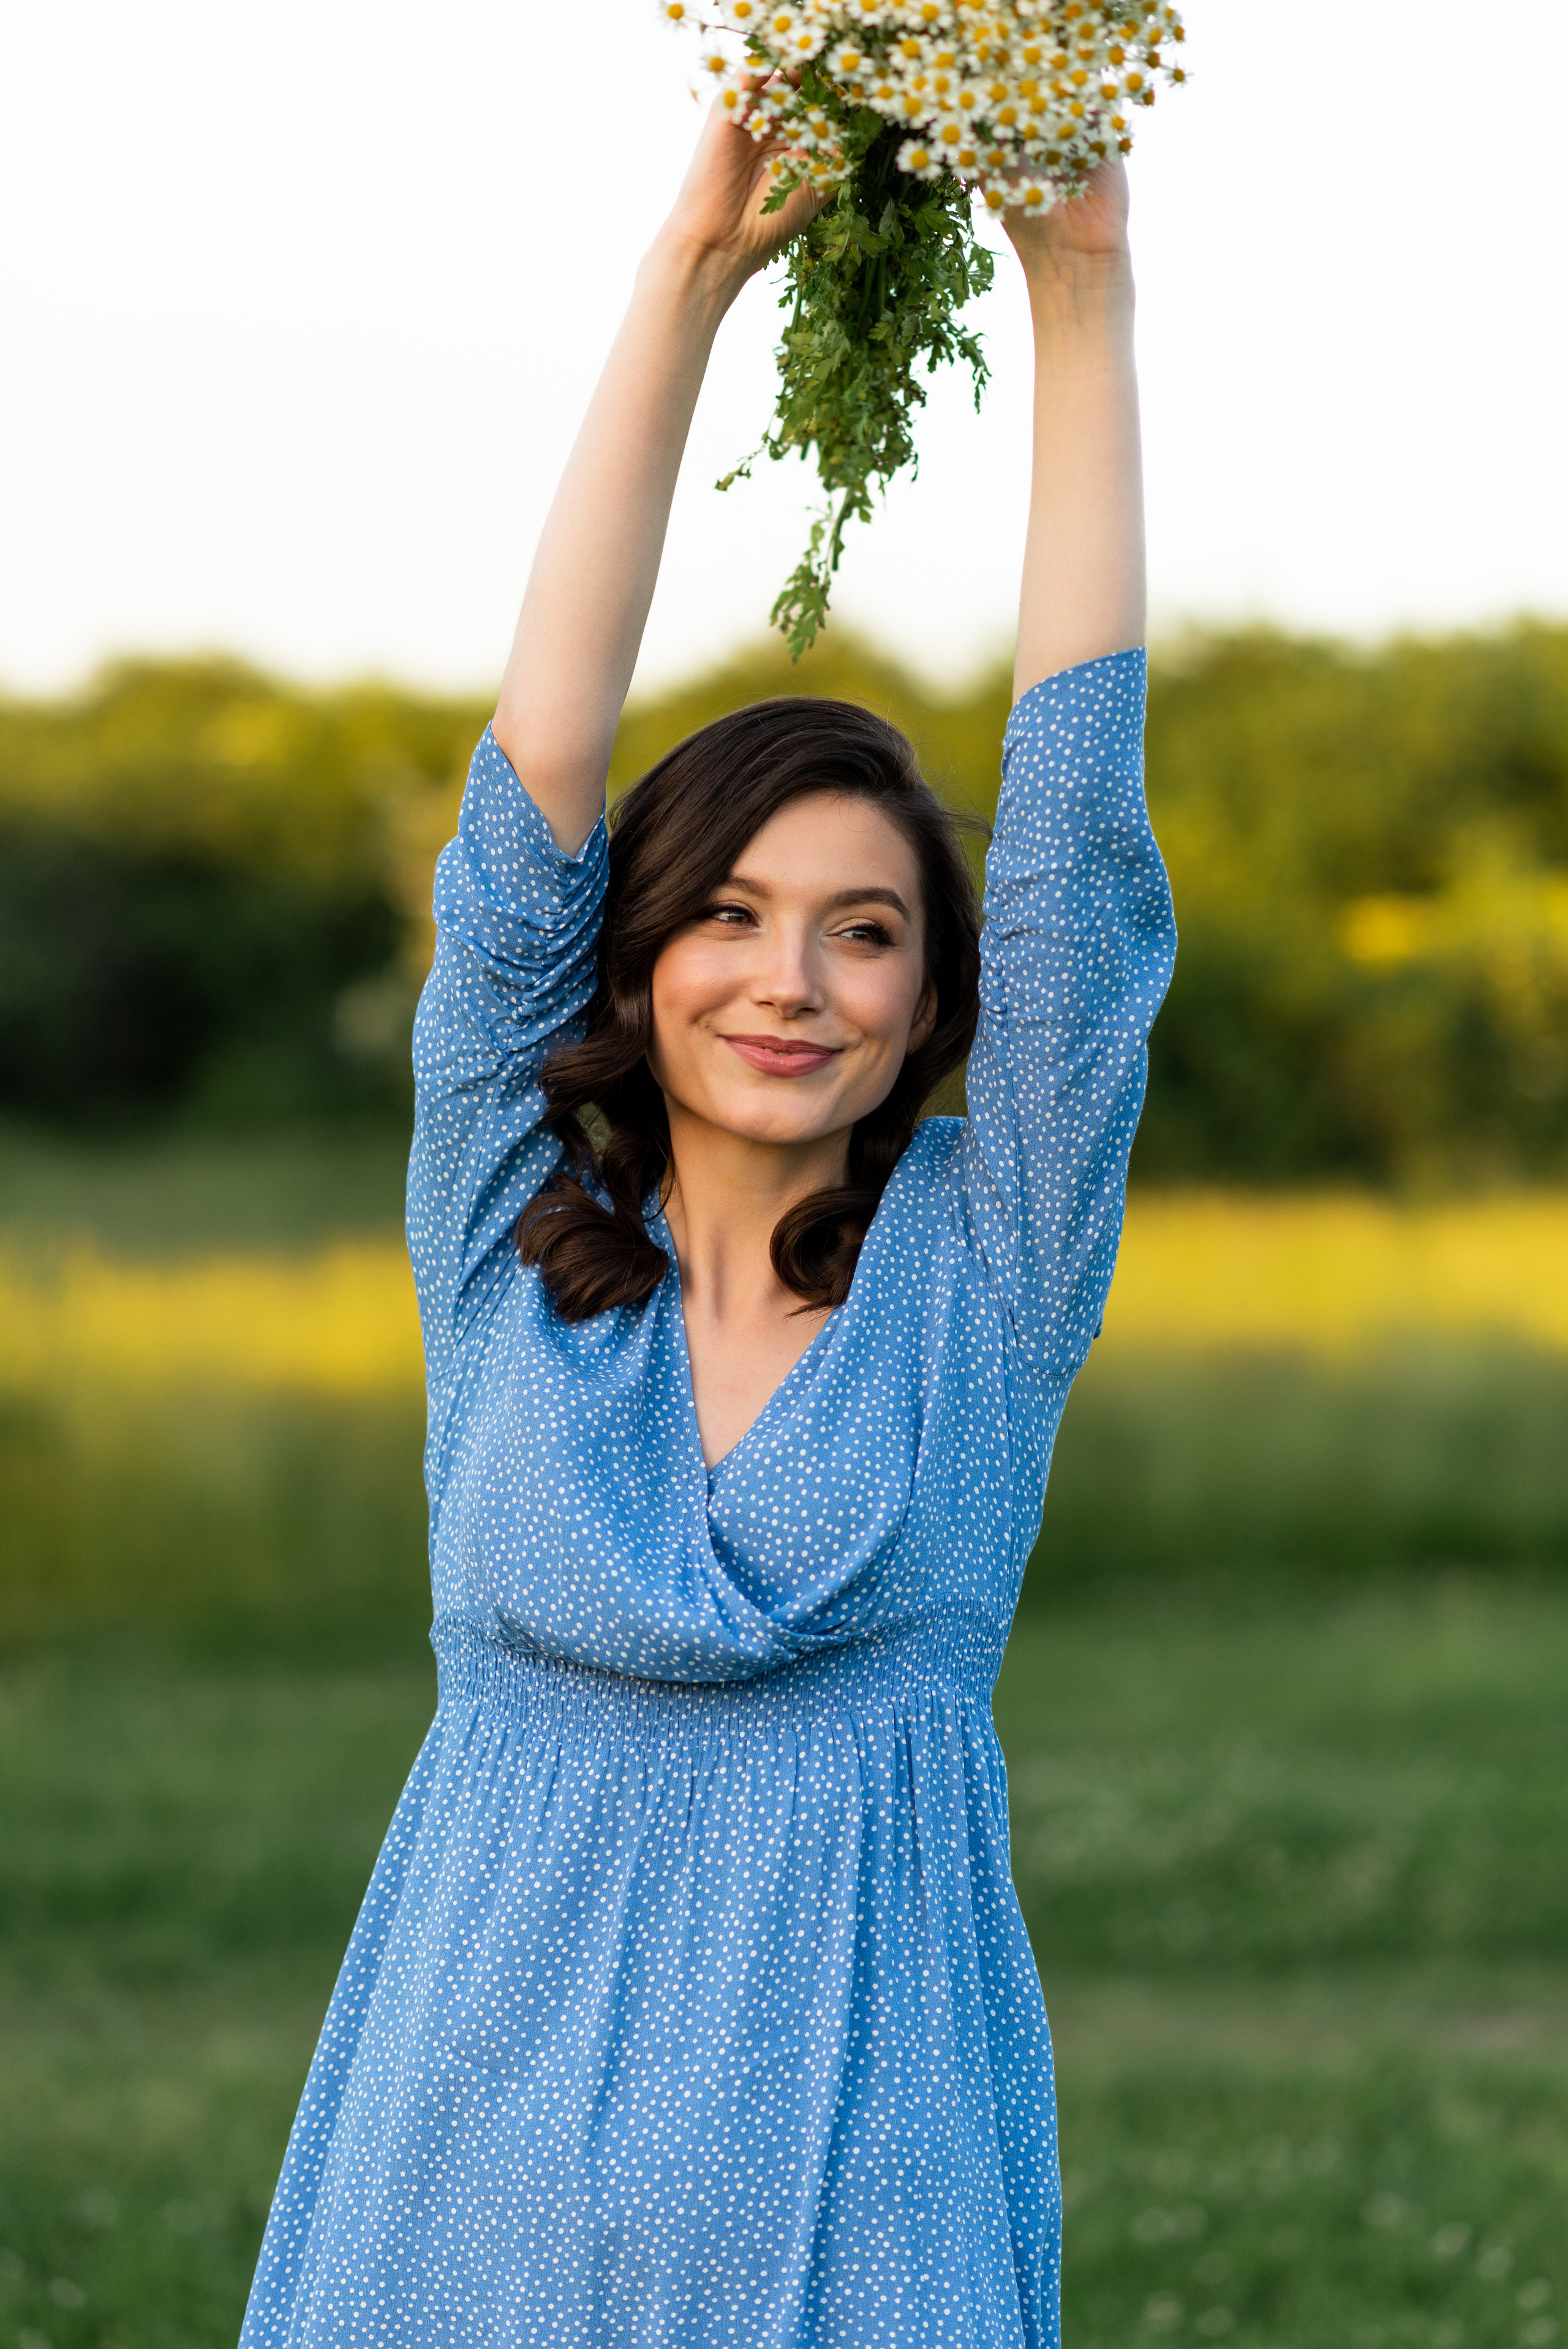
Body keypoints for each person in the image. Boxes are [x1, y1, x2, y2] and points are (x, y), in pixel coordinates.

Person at [240, 85, 1175, 2349]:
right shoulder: (504, 1223)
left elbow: (1075, 838)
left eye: (865, 931)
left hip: (869, 2190)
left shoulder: (990, 1262)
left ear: (934, 996)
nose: (791, 980)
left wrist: (1082, 299)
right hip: (464, 2173)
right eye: (733, 915)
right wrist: (683, 286)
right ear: (638, 955)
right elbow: (533, 787)